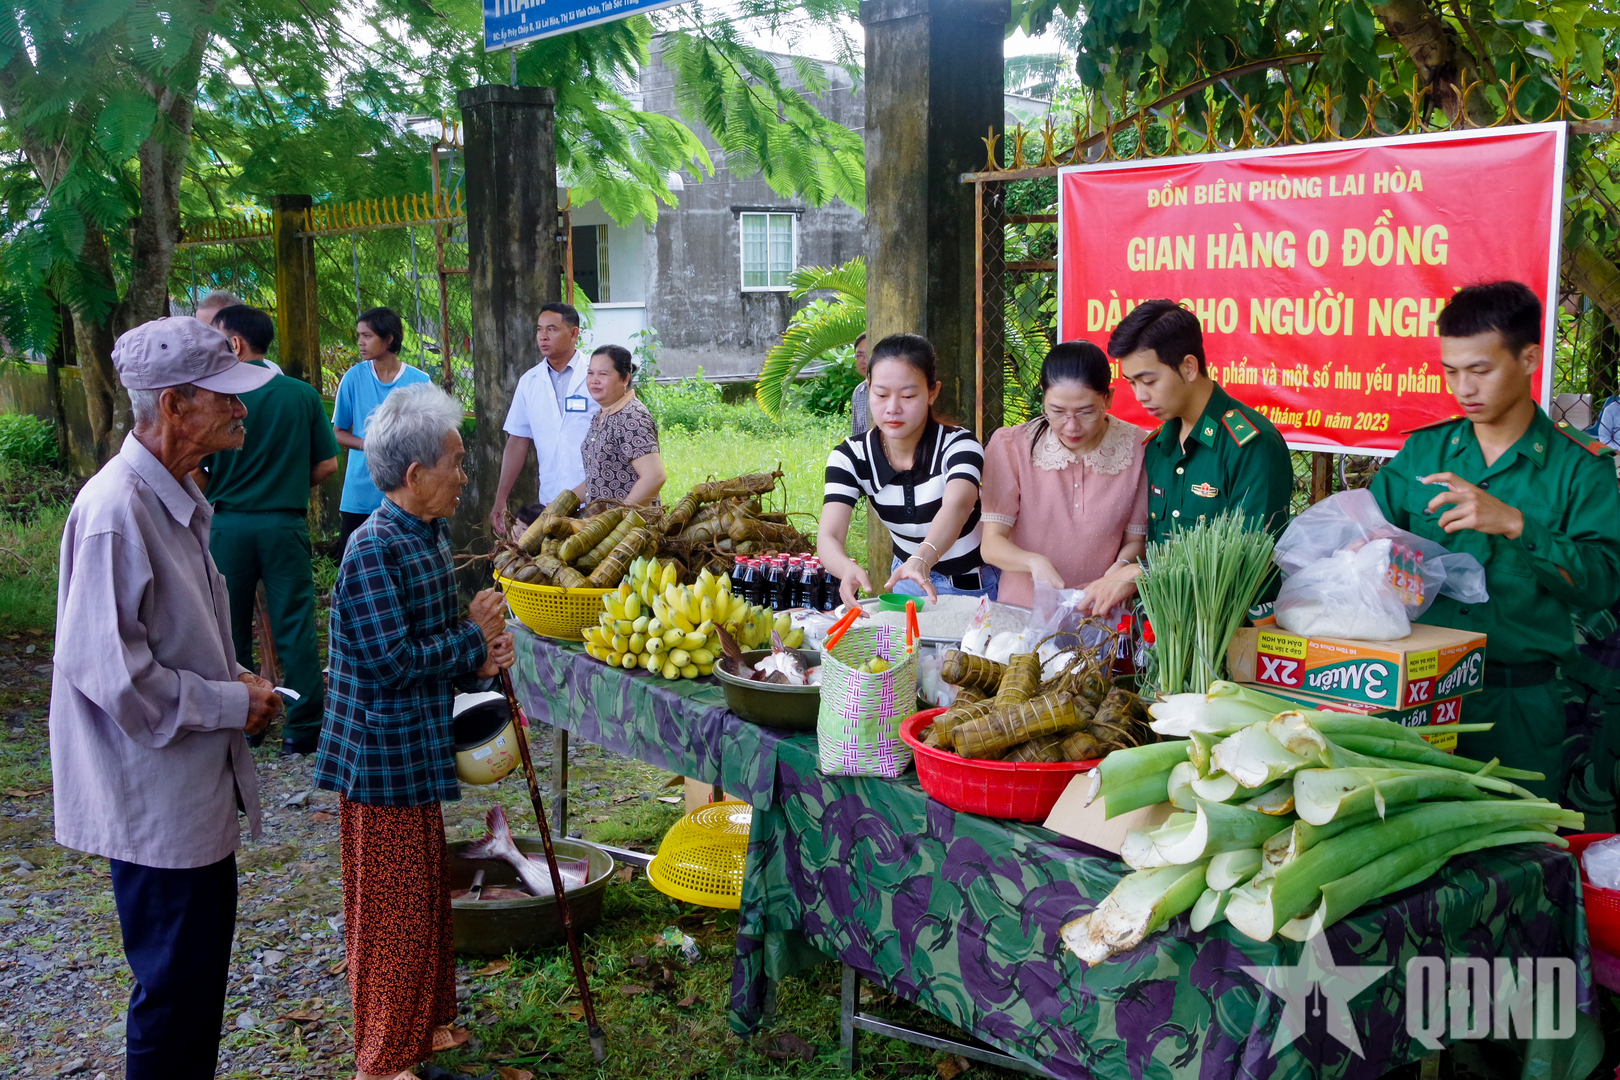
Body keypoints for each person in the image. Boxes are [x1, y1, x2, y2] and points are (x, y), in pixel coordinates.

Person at [50, 317, 284, 1080]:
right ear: (176, 405)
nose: (241, 412)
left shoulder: (175, 492)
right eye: (226, 399)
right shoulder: (116, 511)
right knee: (173, 997)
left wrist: (238, 681)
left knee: (194, 992)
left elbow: (175, 636)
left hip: (189, 793)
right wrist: (228, 702)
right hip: (155, 800)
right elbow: (115, 676)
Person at [314, 383, 516, 1080]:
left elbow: (440, 642)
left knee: (425, 894)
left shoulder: (425, 533)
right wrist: (471, 639)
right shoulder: (372, 549)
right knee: (391, 915)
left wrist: (483, 654)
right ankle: (383, 1060)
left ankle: (422, 1030)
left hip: (415, 746)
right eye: (456, 464)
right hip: (379, 757)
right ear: (413, 475)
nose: (465, 477)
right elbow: (391, 660)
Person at [1369, 280, 1620, 801]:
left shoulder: (1579, 469)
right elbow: (1371, 532)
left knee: (1519, 858)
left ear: (1529, 358)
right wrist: (1368, 551)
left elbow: (1603, 584)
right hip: (1419, 692)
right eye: (1451, 371)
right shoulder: (1424, 452)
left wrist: (1517, 525)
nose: (1464, 388)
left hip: (1519, 702)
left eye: (1480, 370)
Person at [198, 305, 340, 756]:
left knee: (227, 627)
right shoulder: (301, 394)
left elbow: (199, 469)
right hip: (284, 523)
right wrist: (289, 484)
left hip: (228, 525)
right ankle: (304, 729)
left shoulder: (214, 395)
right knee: (295, 626)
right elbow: (328, 462)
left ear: (235, 344)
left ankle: (246, 724)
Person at [818, 333, 995, 606]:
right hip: (906, 584)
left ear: (932, 392)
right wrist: (844, 568)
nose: (892, 409)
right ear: (868, 387)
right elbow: (829, 535)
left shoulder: (959, 444)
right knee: (906, 651)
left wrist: (923, 558)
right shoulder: (850, 457)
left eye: (908, 395)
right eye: (881, 394)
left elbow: (958, 506)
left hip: (974, 586)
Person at [980, 340, 1149, 613]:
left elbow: (1135, 541)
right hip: (1025, 613)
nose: (1071, 426)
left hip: (1100, 612)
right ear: (1043, 398)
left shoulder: (1137, 448)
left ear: (1108, 398)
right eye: (1057, 411)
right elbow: (991, 544)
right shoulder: (1012, 446)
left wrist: (1119, 570)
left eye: (1085, 412)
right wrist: (1033, 562)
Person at [1109, 299, 1293, 544]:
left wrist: (1144, 574)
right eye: (1132, 382)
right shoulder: (1159, 445)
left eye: (1149, 381)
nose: (1140, 395)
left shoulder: (1251, 446)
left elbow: (1251, 562)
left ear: (1189, 367)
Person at [491, 303, 599, 534]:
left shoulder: (596, 375)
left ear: (573, 333)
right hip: (552, 500)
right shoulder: (529, 381)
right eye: (540, 330)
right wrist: (501, 498)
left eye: (552, 329)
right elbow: (517, 440)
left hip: (598, 497)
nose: (543, 337)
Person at [333, 307, 431, 556]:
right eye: (359, 336)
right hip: (359, 495)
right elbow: (338, 431)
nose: (361, 343)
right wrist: (370, 445)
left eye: (367, 336)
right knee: (355, 565)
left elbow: (433, 435)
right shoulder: (352, 378)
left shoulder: (420, 382)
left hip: (405, 494)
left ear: (388, 339)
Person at [577, 344, 666, 506]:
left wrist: (619, 517)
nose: (594, 380)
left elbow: (655, 477)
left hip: (630, 527)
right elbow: (598, 478)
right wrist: (565, 500)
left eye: (603, 374)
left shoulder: (632, 416)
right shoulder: (601, 414)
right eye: (590, 373)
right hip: (602, 525)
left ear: (625, 378)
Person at [851, 331, 870, 437]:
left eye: (868, 354)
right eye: (859, 355)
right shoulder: (859, 392)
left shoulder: (892, 389)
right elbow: (856, 434)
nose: (863, 360)